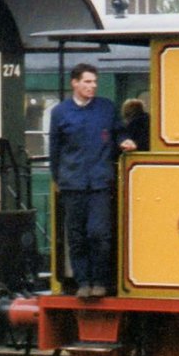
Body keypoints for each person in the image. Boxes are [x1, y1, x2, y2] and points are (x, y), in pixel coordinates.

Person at [48, 64, 136, 299]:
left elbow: (119, 132)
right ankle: (82, 282)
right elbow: (54, 150)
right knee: (76, 236)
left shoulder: (106, 108)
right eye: (87, 82)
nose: (92, 86)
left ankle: (100, 281)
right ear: (74, 83)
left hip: (99, 183)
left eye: (94, 82)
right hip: (72, 184)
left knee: (99, 234)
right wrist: (58, 178)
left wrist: (125, 140)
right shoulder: (60, 112)